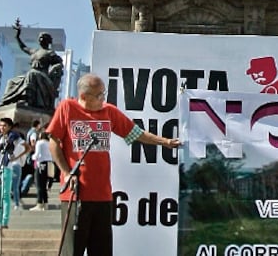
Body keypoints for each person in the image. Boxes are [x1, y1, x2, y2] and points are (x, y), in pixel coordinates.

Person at [48, 74, 181, 256]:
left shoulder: (108, 111)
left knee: (102, 250)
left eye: (104, 93)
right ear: (84, 96)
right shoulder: (67, 108)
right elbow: (53, 141)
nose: (104, 98)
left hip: (102, 195)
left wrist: (165, 142)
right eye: (99, 95)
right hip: (75, 194)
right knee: (72, 250)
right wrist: (66, 171)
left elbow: (136, 133)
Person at [0, 28, 64, 111]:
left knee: (31, 74)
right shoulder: (35, 51)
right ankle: (5, 101)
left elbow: (60, 64)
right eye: (40, 37)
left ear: (48, 41)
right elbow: (23, 47)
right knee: (11, 81)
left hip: (43, 76)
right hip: (33, 74)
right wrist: (17, 36)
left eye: (43, 37)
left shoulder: (50, 53)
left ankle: (28, 99)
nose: (40, 39)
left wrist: (54, 68)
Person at [30, 131, 54, 211]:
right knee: (44, 185)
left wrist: (32, 157)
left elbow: (37, 154)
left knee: (39, 184)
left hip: (41, 164)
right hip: (50, 163)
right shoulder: (50, 143)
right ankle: (45, 203)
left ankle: (40, 203)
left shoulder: (39, 143)